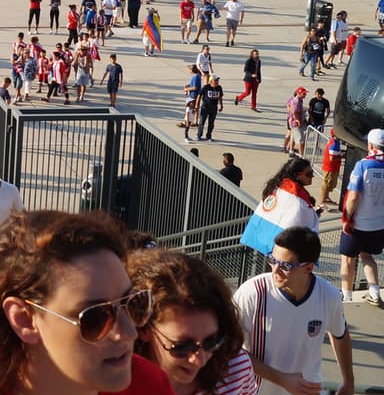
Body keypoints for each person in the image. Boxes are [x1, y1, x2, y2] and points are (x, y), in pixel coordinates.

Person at [0, 210, 171, 395]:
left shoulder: (149, 384)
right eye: (97, 317)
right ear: (24, 319)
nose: (129, 332)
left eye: (133, 303)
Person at [233, 226, 354, 395]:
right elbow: (231, 350)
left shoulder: (329, 296)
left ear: (309, 268)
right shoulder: (252, 293)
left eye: (286, 265)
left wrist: (348, 381)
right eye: (272, 260)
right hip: (256, 391)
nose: (274, 270)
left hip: (308, 390)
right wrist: (282, 380)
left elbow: (340, 333)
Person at [126, 247, 256, 395]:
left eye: (212, 341)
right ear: (144, 328)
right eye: (182, 346)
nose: (199, 360)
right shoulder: (112, 381)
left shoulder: (236, 370)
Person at [339, 127, 384, 305]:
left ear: (370, 144)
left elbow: (353, 197)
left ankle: (346, 297)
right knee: (367, 256)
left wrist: (346, 219)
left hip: (358, 223)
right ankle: (374, 292)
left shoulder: (363, 165)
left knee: (348, 258)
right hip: (379, 224)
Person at [239, 158, 319, 257]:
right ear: (297, 175)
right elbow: (304, 225)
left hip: (263, 240)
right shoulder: (298, 200)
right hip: (279, 248)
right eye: (309, 174)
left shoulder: (277, 187)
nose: (312, 176)